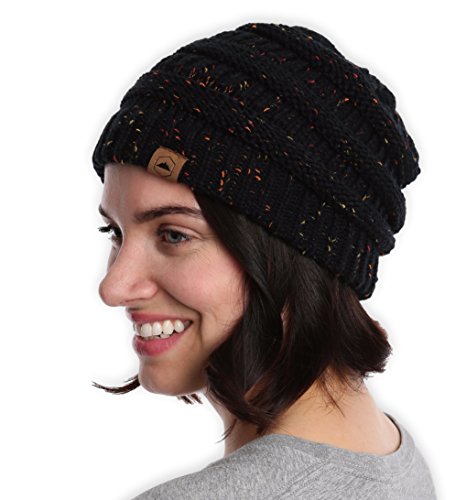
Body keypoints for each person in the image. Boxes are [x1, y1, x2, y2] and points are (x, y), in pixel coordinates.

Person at [92, 22, 437, 499]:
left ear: (295, 250)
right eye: (115, 232)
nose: (113, 286)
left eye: (174, 235)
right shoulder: (391, 455)